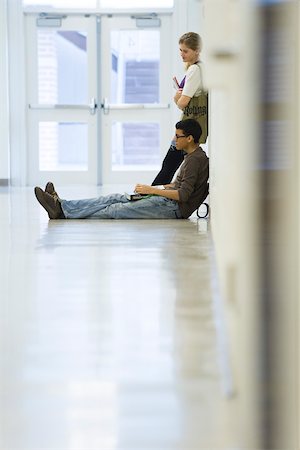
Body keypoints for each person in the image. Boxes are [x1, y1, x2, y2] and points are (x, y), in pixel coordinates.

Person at [34, 119, 209, 221]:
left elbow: (183, 195)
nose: (175, 139)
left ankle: (63, 212)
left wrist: (152, 190)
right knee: (112, 198)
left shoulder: (195, 160)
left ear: (189, 138)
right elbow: (180, 186)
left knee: (115, 209)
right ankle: (62, 205)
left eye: (178, 136)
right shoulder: (192, 156)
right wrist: (159, 190)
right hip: (167, 201)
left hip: (173, 208)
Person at [151, 32, 204, 186]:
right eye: (180, 50)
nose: (182, 54)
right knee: (170, 167)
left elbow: (182, 103)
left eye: (185, 51)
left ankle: (148, 197)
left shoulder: (195, 70)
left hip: (187, 129)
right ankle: (150, 196)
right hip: (190, 128)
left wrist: (176, 97)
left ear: (197, 50)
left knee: (168, 167)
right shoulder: (199, 68)